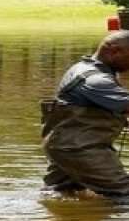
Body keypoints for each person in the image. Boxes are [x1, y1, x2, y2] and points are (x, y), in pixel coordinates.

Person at [41, 31, 129, 199]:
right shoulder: (95, 79)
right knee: (124, 191)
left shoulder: (82, 69)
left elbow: (88, 110)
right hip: (80, 149)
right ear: (115, 51)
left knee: (60, 194)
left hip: (63, 146)